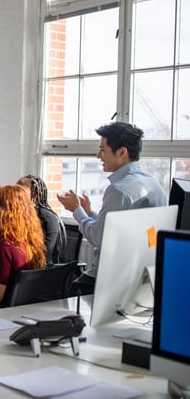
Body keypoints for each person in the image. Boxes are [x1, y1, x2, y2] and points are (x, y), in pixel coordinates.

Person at [56, 122, 166, 294]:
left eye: (103, 150)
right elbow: (120, 226)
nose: (99, 155)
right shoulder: (152, 183)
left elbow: (100, 239)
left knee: (64, 297)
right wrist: (90, 213)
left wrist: (77, 211)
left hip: (108, 280)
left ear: (122, 152)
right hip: (140, 278)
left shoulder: (119, 190)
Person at [17, 174, 67, 265]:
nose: (16, 192)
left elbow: (43, 254)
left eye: (21, 189)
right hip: (21, 265)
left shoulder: (47, 218)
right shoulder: (17, 215)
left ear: (35, 193)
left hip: (40, 270)